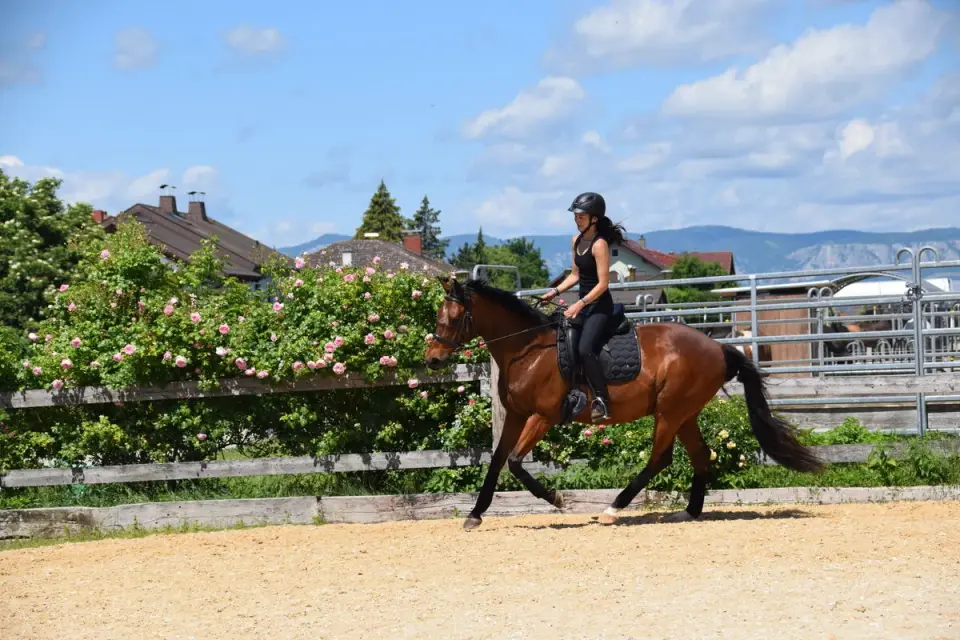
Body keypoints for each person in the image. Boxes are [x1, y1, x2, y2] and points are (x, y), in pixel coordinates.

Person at [541, 191, 626, 422]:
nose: (576, 220)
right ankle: (573, 392)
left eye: (581, 216)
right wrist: (554, 292)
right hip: (583, 305)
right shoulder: (576, 241)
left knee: (585, 348)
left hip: (600, 307)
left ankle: (602, 400)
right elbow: (575, 275)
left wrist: (579, 304)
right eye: (575, 216)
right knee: (563, 342)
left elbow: (603, 284)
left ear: (594, 219)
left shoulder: (599, 245)